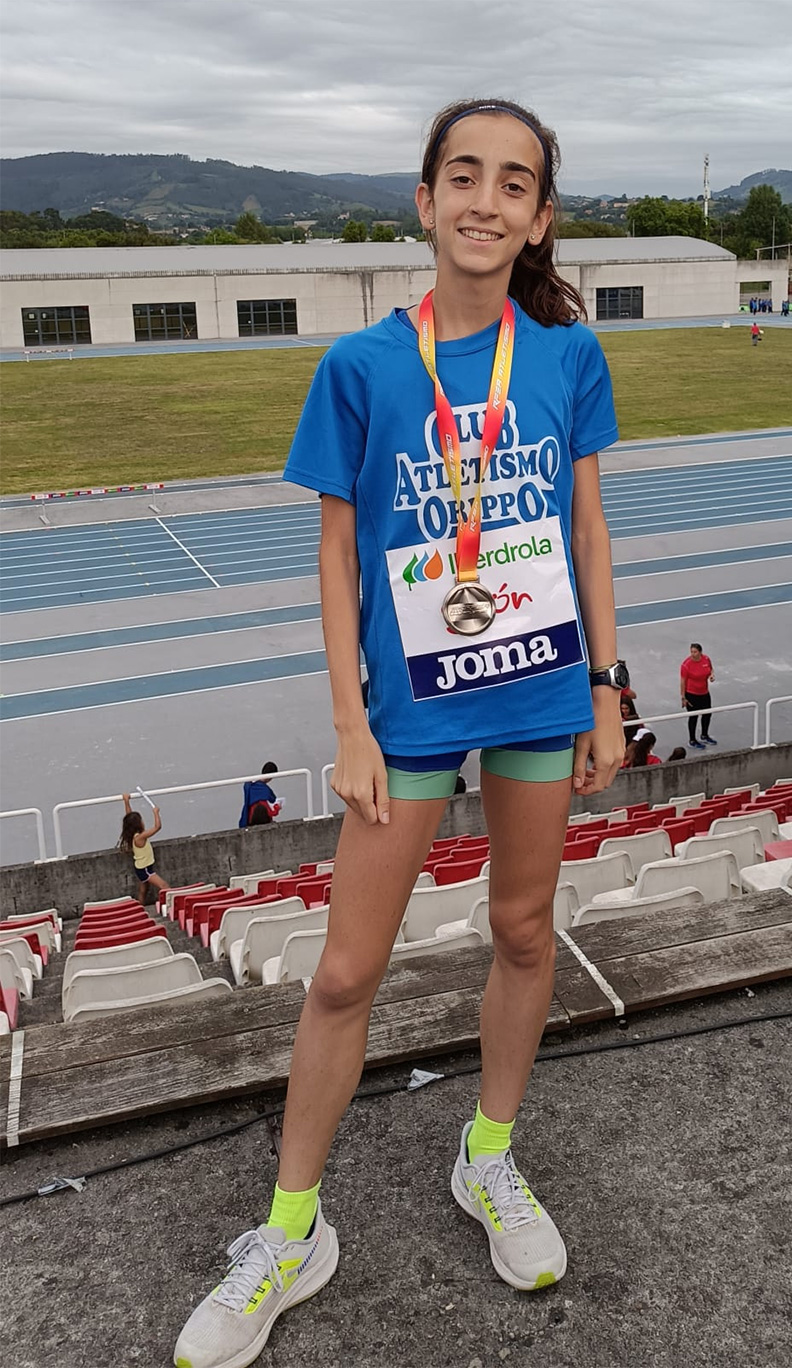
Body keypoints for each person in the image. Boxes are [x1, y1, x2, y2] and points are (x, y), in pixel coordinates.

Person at [175, 97, 625, 1368]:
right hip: (411, 710)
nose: (487, 200)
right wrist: (349, 723)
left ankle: (488, 1157)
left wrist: (604, 684)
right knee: (342, 974)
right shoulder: (363, 367)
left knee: (526, 929)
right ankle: (290, 1230)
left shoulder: (567, 358)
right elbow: (332, 557)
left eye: (515, 182)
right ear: (424, 203)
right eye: (463, 176)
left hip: (539, 688)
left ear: (540, 216)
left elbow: (588, 529)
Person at [118, 794, 168, 905]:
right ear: (138, 824)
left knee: (144, 889)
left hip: (141, 867)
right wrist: (156, 813)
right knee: (164, 886)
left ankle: (140, 906)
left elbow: (129, 815)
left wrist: (126, 801)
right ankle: (170, 906)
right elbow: (157, 827)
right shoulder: (140, 837)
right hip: (145, 869)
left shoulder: (132, 835)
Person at [680, 642, 716, 749]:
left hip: (704, 693)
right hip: (691, 694)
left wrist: (712, 675)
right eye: (691, 651)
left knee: (707, 714)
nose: (692, 654)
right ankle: (692, 740)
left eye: (695, 652)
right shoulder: (686, 665)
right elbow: (682, 681)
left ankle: (704, 735)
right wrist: (683, 697)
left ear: (700, 652)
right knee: (693, 717)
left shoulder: (706, 659)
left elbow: (711, 670)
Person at [238, 761, 283, 828]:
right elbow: (272, 810)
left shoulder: (249, 786)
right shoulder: (266, 791)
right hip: (262, 820)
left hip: (249, 820)